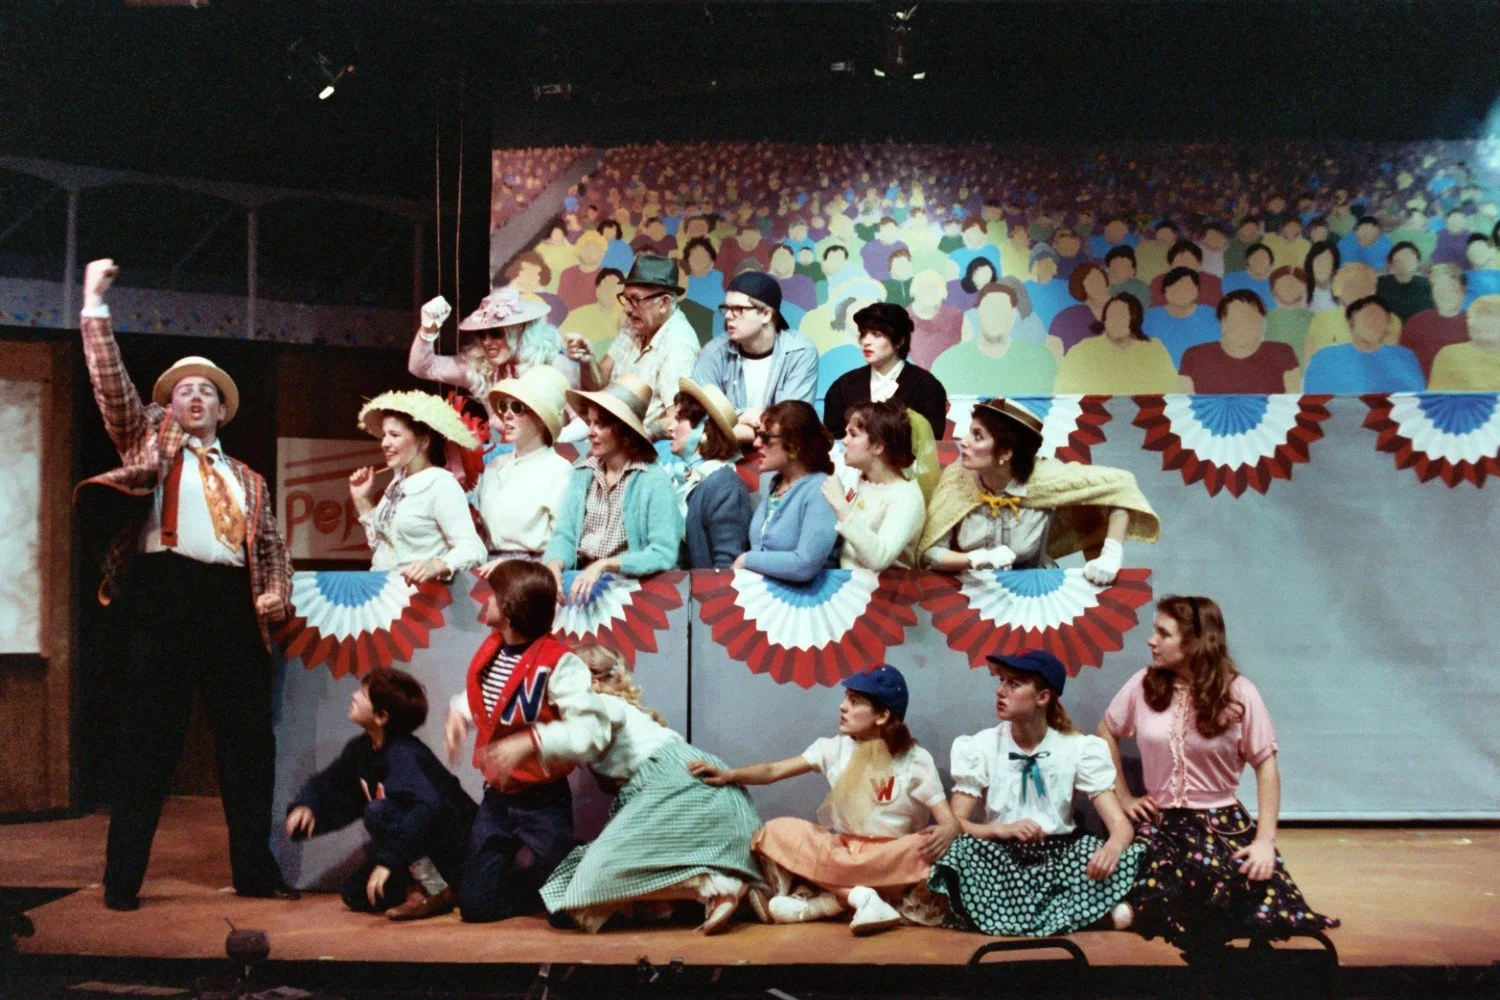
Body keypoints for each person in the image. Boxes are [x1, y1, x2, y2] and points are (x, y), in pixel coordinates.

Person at [77, 258, 296, 911]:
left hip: (230, 604)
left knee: (248, 744)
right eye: (184, 390)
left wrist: (276, 590)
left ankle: (254, 873)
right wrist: (94, 304)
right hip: (165, 594)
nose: (195, 397)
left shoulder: (250, 479)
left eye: (207, 391)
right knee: (149, 741)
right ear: (169, 405)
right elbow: (112, 387)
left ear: (222, 410)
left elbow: (272, 547)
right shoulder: (150, 439)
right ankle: (122, 883)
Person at [1097, 596, 1339, 949]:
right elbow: (1106, 731)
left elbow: (1266, 766)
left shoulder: (1239, 692)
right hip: (1162, 824)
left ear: (1196, 641)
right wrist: (1123, 796)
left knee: (1239, 886)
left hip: (1219, 824)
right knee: (1152, 874)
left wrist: (1264, 842)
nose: (1151, 641)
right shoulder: (1143, 684)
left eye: (1163, 633)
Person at [689, 665, 960, 935]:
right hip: (843, 853)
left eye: (854, 702)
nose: (843, 707)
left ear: (882, 715)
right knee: (776, 831)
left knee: (928, 851)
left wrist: (947, 832)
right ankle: (859, 898)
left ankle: (828, 901)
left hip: (890, 857)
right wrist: (729, 774)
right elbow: (773, 771)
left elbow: (949, 822)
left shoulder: (915, 758)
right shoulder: (833, 748)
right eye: (845, 699)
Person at [540, 643, 764, 934]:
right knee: (592, 895)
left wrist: (527, 744)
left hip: (680, 789)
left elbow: (576, 737)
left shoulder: (604, 707)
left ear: (591, 684)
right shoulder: (628, 714)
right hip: (706, 791)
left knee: (586, 887)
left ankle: (712, 885)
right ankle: (730, 889)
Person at [930, 650, 1142, 936]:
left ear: (1042, 698)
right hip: (999, 861)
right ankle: (1075, 915)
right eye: (1001, 681)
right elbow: (955, 825)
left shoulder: (1078, 748)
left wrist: (1112, 849)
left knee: (1103, 851)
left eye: (1013, 684)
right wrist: (1000, 830)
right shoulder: (981, 747)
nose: (1000, 691)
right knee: (960, 851)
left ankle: (1025, 916)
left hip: (1058, 859)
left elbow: (1120, 825)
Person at [443, 559, 609, 922]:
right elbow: (495, 701)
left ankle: (573, 860)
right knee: (475, 909)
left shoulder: (559, 663)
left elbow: (593, 732)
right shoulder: (493, 649)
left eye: (494, 595)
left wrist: (532, 742)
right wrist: (459, 713)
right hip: (498, 798)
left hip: (543, 800)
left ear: (512, 606)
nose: (485, 602)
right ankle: (536, 886)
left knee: (563, 914)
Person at [286, 669, 477, 921]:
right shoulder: (362, 750)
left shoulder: (405, 754)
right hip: (415, 847)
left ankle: (435, 888)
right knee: (356, 893)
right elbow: (332, 783)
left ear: (381, 716)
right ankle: (427, 886)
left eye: (363, 694)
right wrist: (309, 805)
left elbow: (426, 810)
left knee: (379, 811)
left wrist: (389, 862)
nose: (354, 695)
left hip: (454, 849)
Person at [920, 397, 1159, 584]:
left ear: (1005, 453)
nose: (964, 441)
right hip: (973, 595)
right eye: (970, 431)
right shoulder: (957, 478)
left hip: (1035, 594)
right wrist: (974, 559)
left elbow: (1122, 485)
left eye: (978, 436)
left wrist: (1111, 553)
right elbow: (930, 553)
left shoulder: (1046, 478)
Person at [543, 374, 683, 604]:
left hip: (631, 591)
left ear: (625, 432)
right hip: (579, 585)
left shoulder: (653, 479)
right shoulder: (582, 474)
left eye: (601, 424)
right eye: (590, 422)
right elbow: (565, 536)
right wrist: (554, 564)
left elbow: (663, 553)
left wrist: (607, 564)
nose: (590, 432)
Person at [350, 391, 486, 581]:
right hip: (382, 594)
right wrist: (362, 500)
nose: (384, 443)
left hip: (418, 601)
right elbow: (386, 547)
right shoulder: (397, 483)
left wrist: (438, 564)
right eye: (384, 435)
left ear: (423, 441)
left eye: (394, 435)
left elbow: (472, 548)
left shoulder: (440, 484)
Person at [564, 254, 702, 440]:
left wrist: (640, 437)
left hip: (634, 444)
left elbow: (677, 417)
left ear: (664, 303)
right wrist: (587, 361)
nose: (627, 309)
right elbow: (599, 386)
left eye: (635, 300)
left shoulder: (678, 345)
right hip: (602, 427)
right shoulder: (636, 322)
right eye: (626, 298)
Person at [408, 288, 574, 435]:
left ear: (520, 331)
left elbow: (582, 421)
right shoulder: (482, 368)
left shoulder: (553, 364)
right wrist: (428, 329)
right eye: (482, 334)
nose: (487, 342)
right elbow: (423, 368)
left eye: (496, 333)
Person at [693, 271, 819, 445]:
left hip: (781, 455)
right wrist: (744, 415)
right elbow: (699, 421)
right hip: (724, 453)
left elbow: (791, 425)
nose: (728, 316)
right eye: (727, 308)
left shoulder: (799, 352)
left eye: (738, 309)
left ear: (766, 314)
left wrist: (735, 422)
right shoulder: (713, 353)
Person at [476, 366, 574, 565]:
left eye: (518, 408)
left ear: (540, 419)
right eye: (505, 406)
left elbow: (563, 545)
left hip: (532, 575)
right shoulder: (494, 465)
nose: (507, 415)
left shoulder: (559, 470)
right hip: (485, 569)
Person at [737, 401, 840, 584]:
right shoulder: (774, 483)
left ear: (794, 446)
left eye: (765, 437)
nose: (756, 443)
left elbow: (805, 565)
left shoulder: (821, 490)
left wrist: (746, 560)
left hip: (804, 605)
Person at [822, 402, 926, 572]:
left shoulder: (906, 497)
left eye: (853, 435)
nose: (844, 441)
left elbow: (879, 560)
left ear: (878, 447)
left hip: (885, 591)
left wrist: (841, 505)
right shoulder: (859, 478)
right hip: (846, 580)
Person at [822, 302, 948, 442]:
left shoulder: (926, 387)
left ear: (900, 341)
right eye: (864, 334)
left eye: (876, 334)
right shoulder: (843, 386)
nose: (866, 341)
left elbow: (929, 441)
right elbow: (832, 439)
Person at [672, 379, 753, 569]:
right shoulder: (684, 481)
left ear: (704, 427)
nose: (670, 427)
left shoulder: (724, 484)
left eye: (679, 420)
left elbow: (727, 567)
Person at [932, 284, 1059, 395]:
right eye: (989, 308)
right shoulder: (949, 362)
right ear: (978, 313)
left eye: (1002, 309)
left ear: (1013, 314)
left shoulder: (1038, 359)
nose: (995, 315)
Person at [1053, 293, 1180, 395]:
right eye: (1112, 315)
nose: (1116, 321)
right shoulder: (1083, 350)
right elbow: (1062, 388)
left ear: (1135, 319)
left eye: (1123, 316)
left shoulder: (1154, 349)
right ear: (1104, 320)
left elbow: (1170, 387)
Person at [1178, 290, 1300, 394]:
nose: (1243, 325)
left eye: (1250, 318)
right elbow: (1184, 408)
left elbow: (1294, 404)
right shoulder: (1195, 356)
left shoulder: (1282, 353)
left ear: (1263, 323)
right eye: (1235, 319)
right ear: (1222, 323)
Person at [1303, 296, 1424, 393]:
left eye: (1379, 318)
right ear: (1351, 323)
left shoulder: (1405, 358)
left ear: (1388, 325)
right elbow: (1313, 403)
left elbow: (1415, 402)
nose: (1372, 323)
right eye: (1366, 318)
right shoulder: (1325, 358)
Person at [1401, 264, 1470, 380]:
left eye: (1451, 288)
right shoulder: (1416, 322)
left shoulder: (1475, 323)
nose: (1444, 294)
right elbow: (1402, 362)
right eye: (1438, 288)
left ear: (1463, 292)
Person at [1144, 268, 1221, 368]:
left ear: (1197, 290)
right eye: (1175, 287)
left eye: (1187, 288)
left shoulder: (1213, 315)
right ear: (1165, 290)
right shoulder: (1149, 318)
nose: (1181, 292)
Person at [1429, 294, 1500, 390]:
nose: (1487, 324)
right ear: (1470, 323)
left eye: (1494, 318)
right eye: (1481, 317)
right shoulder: (1450, 355)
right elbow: (1438, 398)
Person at [1048, 262, 1113, 353]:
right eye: (1092, 282)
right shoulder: (1068, 318)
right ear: (1081, 287)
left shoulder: (1122, 310)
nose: (1099, 285)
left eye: (1100, 279)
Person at [1376, 242, 1435, 321]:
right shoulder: (1378, 283)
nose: (1405, 263)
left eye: (1409, 258)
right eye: (1399, 260)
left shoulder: (1430, 285)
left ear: (1418, 263)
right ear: (1391, 264)